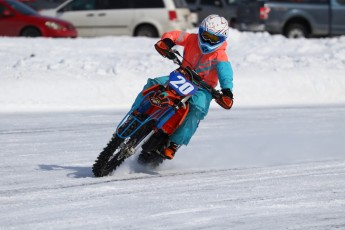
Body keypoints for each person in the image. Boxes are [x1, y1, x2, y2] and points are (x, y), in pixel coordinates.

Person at [132, 14, 234, 160]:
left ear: (222, 40)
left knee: (197, 108)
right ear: (200, 31)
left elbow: (226, 74)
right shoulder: (191, 39)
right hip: (181, 77)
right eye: (206, 36)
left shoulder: (220, 55)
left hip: (204, 89)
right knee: (155, 83)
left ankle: (174, 143)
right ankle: (136, 113)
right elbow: (175, 35)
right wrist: (167, 42)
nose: (208, 41)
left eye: (214, 39)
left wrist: (227, 92)